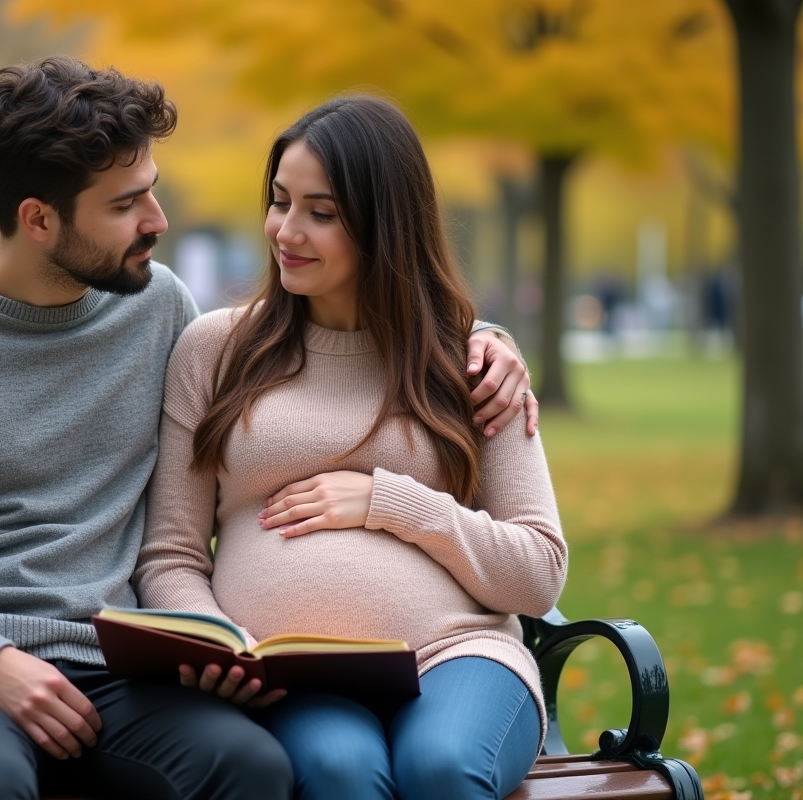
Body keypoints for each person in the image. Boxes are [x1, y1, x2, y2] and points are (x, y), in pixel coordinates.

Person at [0, 57, 535, 800]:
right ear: (38, 219)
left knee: (252, 768)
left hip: (110, 672)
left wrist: (485, 342)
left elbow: (335, 349)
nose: (158, 222)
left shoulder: (156, 310)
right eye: (127, 205)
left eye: (151, 191)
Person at [135, 95, 565, 800]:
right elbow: (172, 553)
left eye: (321, 212)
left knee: (443, 769)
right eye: (279, 202)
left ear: (385, 224)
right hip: (289, 675)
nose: (286, 231)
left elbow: (539, 572)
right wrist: (215, 640)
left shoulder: (474, 364)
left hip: (458, 656)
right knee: (340, 773)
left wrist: (389, 501)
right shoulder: (214, 351)